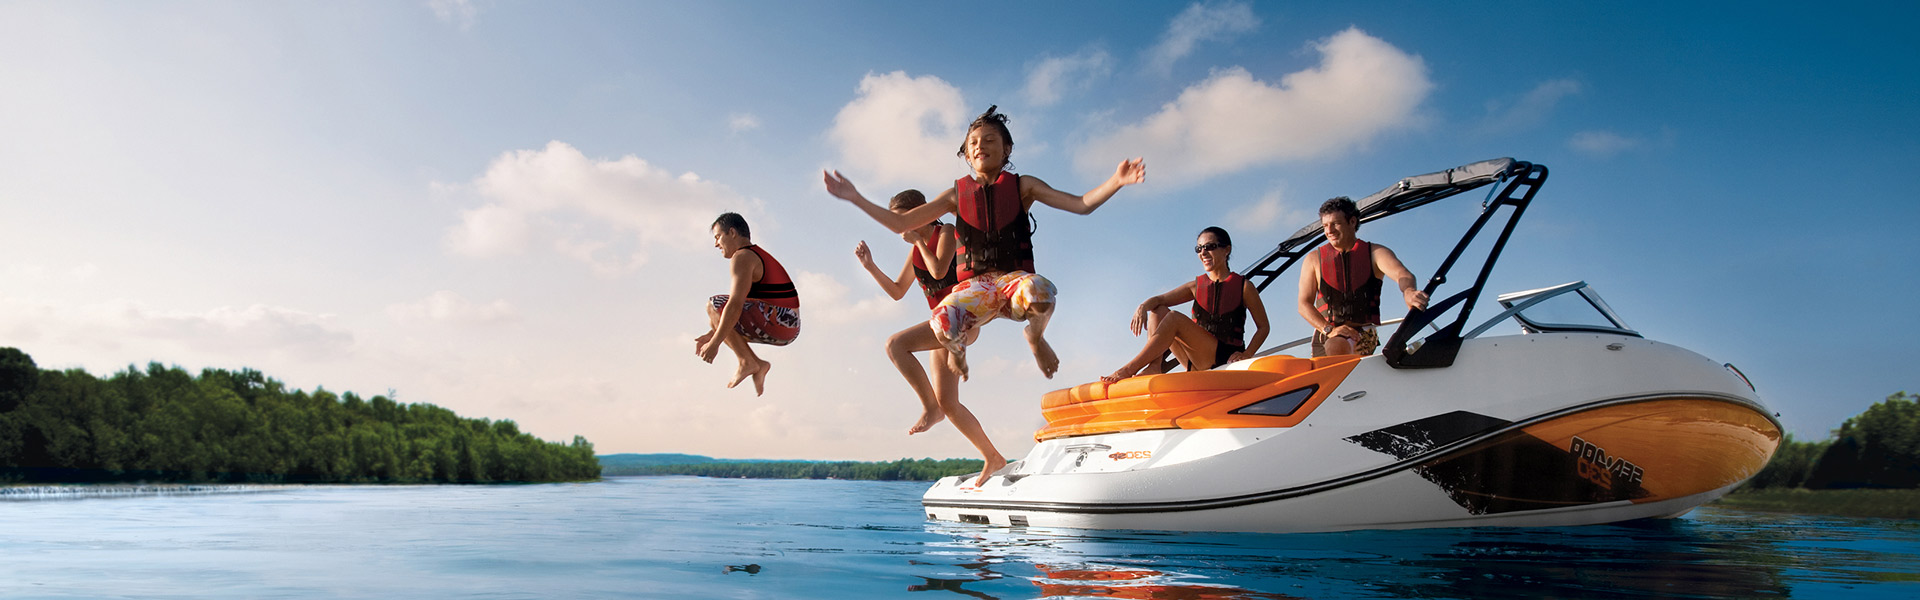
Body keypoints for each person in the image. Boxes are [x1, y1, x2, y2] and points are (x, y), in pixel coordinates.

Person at [824, 105, 1145, 485]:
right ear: (965, 153)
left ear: (1006, 149)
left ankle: (1034, 336)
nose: (981, 146)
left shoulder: (1023, 186)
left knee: (1041, 292)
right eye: (973, 142)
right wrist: (856, 197)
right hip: (974, 291)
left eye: (990, 140)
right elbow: (899, 223)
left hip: (1011, 281)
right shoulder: (954, 195)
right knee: (942, 318)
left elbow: (1081, 204)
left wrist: (1116, 181)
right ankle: (956, 351)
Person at [853, 189, 961, 435]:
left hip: (959, 318)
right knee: (950, 404)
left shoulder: (944, 231)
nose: (901, 229)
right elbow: (897, 290)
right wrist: (870, 266)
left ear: (919, 213)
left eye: (904, 220)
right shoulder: (915, 250)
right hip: (940, 324)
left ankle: (930, 408)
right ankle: (992, 457)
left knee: (895, 345)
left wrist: (919, 242)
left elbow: (939, 271)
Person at [1103, 227, 1270, 383]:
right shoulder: (1195, 286)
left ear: (1227, 249)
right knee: (1158, 310)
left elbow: (1263, 327)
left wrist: (1247, 354)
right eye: (1199, 248)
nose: (1203, 252)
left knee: (1174, 318)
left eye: (1209, 246)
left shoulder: (1244, 287)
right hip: (1194, 360)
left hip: (1223, 357)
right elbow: (1158, 300)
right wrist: (1143, 307)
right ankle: (1154, 366)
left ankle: (1128, 369)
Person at [1296, 197, 1428, 357]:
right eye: (1325, 226)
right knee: (1329, 354)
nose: (1329, 231)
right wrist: (1328, 329)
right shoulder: (1313, 259)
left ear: (1352, 222)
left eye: (1335, 224)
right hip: (1326, 332)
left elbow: (1402, 274)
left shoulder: (1375, 253)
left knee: (1336, 345)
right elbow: (1303, 304)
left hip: (1362, 334)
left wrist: (1409, 291)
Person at [696, 212, 800, 396]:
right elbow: (747, 306)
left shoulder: (743, 256)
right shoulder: (754, 255)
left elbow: (735, 305)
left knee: (714, 305)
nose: (716, 244)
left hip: (782, 320)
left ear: (733, 232)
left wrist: (715, 343)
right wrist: (713, 332)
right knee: (718, 317)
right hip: (788, 326)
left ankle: (747, 362)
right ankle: (757, 365)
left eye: (718, 237)